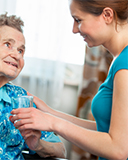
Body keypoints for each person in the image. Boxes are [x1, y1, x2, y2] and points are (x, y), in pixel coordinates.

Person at [10, 0, 128, 160]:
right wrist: (50, 113)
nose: (74, 29)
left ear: (107, 15)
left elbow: (119, 150)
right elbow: (105, 129)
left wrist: (52, 122)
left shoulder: (124, 65)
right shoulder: (119, 59)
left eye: (78, 20)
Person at [0, 13, 66, 160]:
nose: (17, 55)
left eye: (21, 51)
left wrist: (37, 145)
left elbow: (60, 151)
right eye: (8, 45)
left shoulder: (21, 99)